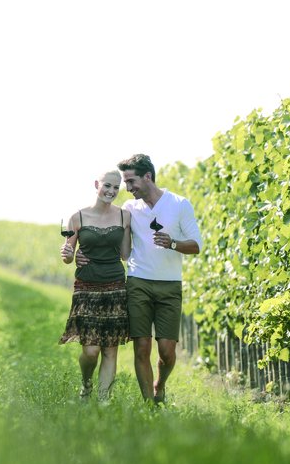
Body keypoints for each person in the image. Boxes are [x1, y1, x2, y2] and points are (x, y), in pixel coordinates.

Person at [78, 154, 201, 405]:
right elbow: (106, 235)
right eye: (125, 182)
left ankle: (160, 385)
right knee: (142, 348)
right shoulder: (129, 210)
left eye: (131, 181)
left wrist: (173, 243)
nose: (128, 188)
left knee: (167, 352)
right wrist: (82, 251)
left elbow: (196, 245)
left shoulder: (179, 204)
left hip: (169, 285)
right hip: (137, 282)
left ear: (148, 177)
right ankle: (149, 405)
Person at [59, 169, 131, 401]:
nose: (111, 191)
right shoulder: (77, 218)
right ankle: (86, 383)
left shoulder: (124, 217)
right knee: (91, 351)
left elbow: (125, 254)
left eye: (115, 187)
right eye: (107, 185)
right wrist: (69, 253)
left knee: (110, 349)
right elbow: (67, 257)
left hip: (116, 285)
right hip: (86, 287)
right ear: (96, 185)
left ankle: (104, 401)